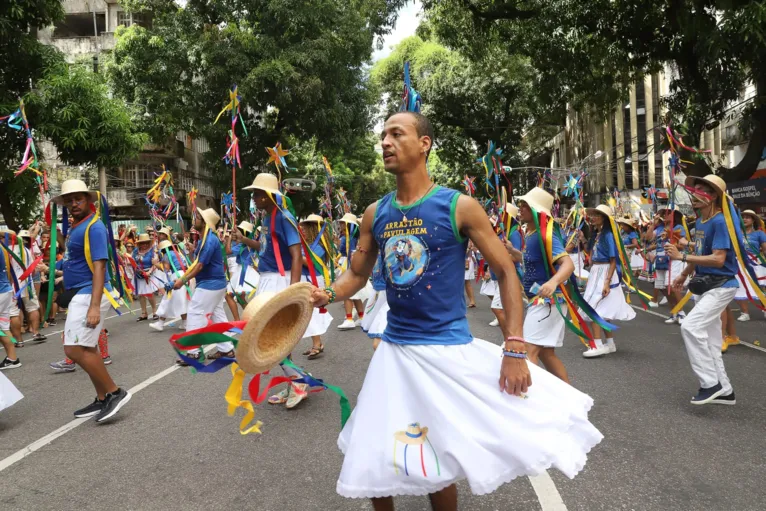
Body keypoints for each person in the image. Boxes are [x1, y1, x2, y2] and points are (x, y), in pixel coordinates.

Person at [310, 111, 602, 509]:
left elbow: (504, 272)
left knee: (436, 458)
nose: (386, 142)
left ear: (424, 144)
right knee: (374, 452)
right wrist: (325, 293)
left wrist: (515, 347)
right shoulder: (375, 214)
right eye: (383, 136)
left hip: (446, 351)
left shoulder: (459, 207)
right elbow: (357, 274)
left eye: (397, 134)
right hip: (393, 351)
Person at [53, 179, 130, 421]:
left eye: (78, 198)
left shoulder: (94, 227)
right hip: (80, 292)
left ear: (88, 200)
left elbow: (99, 267)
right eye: (69, 200)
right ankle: (101, 398)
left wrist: (95, 306)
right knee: (88, 348)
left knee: (73, 349)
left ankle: (115, 392)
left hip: (89, 294)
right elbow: (75, 259)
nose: (73, 203)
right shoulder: (77, 226)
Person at [236, 173, 308, 408]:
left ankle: (297, 381)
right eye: (254, 194)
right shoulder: (267, 219)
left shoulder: (284, 218)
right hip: (267, 280)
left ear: (269, 196)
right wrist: (243, 240)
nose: (254, 198)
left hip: (281, 280)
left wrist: (292, 291)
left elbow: (297, 255)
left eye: (257, 194)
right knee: (273, 340)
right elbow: (264, 248)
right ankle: (294, 382)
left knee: (274, 339)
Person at [667, 175, 738, 405]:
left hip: (721, 286)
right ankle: (725, 391)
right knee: (710, 341)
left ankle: (710, 383)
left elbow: (718, 259)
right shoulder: (700, 221)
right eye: (694, 189)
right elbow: (699, 252)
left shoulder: (720, 221)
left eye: (701, 190)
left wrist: (682, 255)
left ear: (714, 196)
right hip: (705, 286)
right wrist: (684, 272)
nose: (694, 193)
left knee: (690, 326)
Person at [516, 188, 575, 382]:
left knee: (528, 350)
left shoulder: (545, 234)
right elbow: (532, 262)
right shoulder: (532, 233)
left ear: (536, 210)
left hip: (548, 301)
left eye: (526, 205)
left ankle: (530, 400)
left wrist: (553, 281)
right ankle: (569, 400)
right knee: (546, 353)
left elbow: (568, 264)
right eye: (521, 204)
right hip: (539, 300)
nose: (520, 208)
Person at [173, 208, 234, 363]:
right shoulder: (204, 239)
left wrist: (182, 280)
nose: (195, 218)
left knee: (194, 313)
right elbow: (198, 261)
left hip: (210, 284)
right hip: (214, 283)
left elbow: (200, 266)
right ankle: (227, 350)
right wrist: (193, 250)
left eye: (198, 217)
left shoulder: (209, 239)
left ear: (205, 222)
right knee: (217, 317)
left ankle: (193, 353)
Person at [580, 205, 636, 358]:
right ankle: (610, 344)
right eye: (593, 215)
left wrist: (607, 282)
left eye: (597, 215)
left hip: (605, 272)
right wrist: (583, 238)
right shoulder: (597, 234)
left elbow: (613, 260)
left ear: (604, 217)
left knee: (594, 308)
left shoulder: (608, 235)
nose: (593, 217)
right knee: (602, 309)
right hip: (596, 271)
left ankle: (597, 345)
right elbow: (590, 251)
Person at [651, 208, 689, 324]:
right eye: (664, 214)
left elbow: (682, 246)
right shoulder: (661, 228)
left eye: (667, 214)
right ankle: (674, 312)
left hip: (677, 259)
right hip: (666, 260)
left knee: (673, 287)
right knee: (666, 288)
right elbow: (648, 239)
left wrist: (669, 237)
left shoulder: (678, 228)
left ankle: (681, 312)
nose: (664, 216)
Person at [337, 213, 369, 330]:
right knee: (356, 294)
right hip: (349, 264)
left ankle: (349, 318)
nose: (340, 224)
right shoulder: (353, 237)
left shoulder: (349, 237)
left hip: (349, 265)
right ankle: (361, 317)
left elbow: (349, 252)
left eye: (342, 223)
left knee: (347, 292)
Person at [150, 240, 190, 332]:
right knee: (181, 300)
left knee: (167, 298)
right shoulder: (178, 253)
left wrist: (155, 263)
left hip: (177, 276)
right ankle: (185, 322)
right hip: (185, 275)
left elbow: (166, 268)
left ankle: (160, 323)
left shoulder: (167, 255)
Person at [734, 209, 766, 321]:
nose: (744, 219)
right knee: (740, 287)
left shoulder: (759, 233)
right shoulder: (735, 234)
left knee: (761, 287)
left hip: (755, 263)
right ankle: (745, 313)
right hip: (739, 264)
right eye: (743, 217)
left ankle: (765, 307)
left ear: (753, 220)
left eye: (748, 217)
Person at [0, 237, 21, 370]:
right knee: (3, 327)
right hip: (4, 290)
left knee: (2, 327)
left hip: (1, 291)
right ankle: (12, 359)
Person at [133, 233, 160, 321]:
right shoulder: (135, 251)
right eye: (142, 243)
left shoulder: (152, 251)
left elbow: (155, 263)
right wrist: (136, 269)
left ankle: (154, 311)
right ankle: (144, 313)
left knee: (149, 293)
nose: (144, 245)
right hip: (138, 274)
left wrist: (149, 272)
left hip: (149, 274)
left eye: (146, 243)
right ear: (139, 243)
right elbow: (133, 261)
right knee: (141, 294)